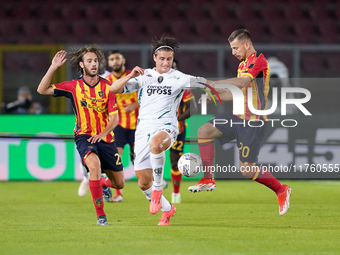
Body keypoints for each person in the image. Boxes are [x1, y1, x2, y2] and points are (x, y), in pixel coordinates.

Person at [189, 29, 292, 216]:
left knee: (246, 170)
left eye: (235, 48)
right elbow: (237, 92)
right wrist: (215, 97)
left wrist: (212, 83)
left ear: (246, 44)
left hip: (253, 120)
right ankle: (207, 179)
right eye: (231, 48)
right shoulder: (243, 64)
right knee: (204, 130)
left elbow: (242, 83)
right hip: (237, 116)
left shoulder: (259, 61)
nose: (233, 52)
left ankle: (281, 190)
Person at [110, 34, 207, 225]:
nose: (165, 62)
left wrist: (230, 87)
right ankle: (168, 208)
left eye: (169, 59)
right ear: (155, 58)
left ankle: (158, 188)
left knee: (156, 145)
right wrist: (130, 76)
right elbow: (114, 89)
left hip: (168, 127)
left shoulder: (179, 77)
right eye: (162, 58)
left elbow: (204, 83)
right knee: (142, 183)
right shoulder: (144, 76)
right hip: (142, 130)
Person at [37, 45, 125, 225]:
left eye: (95, 61)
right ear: (82, 65)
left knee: (119, 184)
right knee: (94, 166)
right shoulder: (73, 86)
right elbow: (41, 90)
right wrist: (53, 66)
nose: (94, 64)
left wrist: (102, 133)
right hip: (84, 135)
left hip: (106, 138)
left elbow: (114, 119)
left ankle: (101, 184)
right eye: (89, 61)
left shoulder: (109, 87)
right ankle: (101, 215)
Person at [78, 50, 139, 202]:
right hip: (116, 125)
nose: (115, 61)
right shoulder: (107, 80)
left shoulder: (136, 76)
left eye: (117, 58)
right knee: (115, 159)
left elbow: (149, 96)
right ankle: (117, 194)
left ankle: (151, 182)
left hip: (138, 125)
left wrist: (136, 104)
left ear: (123, 59)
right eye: (111, 59)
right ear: (109, 63)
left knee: (137, 160)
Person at [169, 59, 197, 204]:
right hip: (155, 128)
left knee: (174, 162)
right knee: (153, 158)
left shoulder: (183, 86)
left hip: (176, 130)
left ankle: (175, 193)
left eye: (172, 66)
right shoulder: (154, 83)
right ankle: (155, 190)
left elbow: (193, 109)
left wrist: (176, 119)